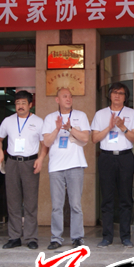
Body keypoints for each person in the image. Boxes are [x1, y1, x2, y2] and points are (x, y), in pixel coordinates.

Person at [0, 91, 47, 250]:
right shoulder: (8, 121)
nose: (20, 106)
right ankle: (14, 237)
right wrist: (0, 152)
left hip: (30, 162)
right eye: (17, 103)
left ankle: (31, 237)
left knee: (30, 201)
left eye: (23, 103)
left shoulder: (38, 121)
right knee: (13, 201)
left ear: (30, 105)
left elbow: (45, 143)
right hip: (12, 162)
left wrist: (40, 159)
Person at [91, 83, 134, 248]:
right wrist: (110, 127)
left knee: (125, 197)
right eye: (114, 92)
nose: (117, 95)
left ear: (125, 97)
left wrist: (122, 127)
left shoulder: (131, 113)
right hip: (106, 157)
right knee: (107, 198)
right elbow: (94, 139)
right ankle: (107, 236)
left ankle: (125, 236)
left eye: (121, 93)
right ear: (110, 95)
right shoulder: (100, 114)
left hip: (125, 157)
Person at [42, 88, 90, 250]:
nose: (68, 99)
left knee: (75, 204)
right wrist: (57, 128)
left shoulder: (81, 116)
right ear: (57, 100)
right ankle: (56, 238)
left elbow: (85, 138)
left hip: (75, 164)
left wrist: (70, 128)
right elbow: (46, 142)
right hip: (56, 167)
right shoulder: (50, 118)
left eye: (70, 96)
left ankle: (77, 237)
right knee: (57, 205)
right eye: (64, 96)